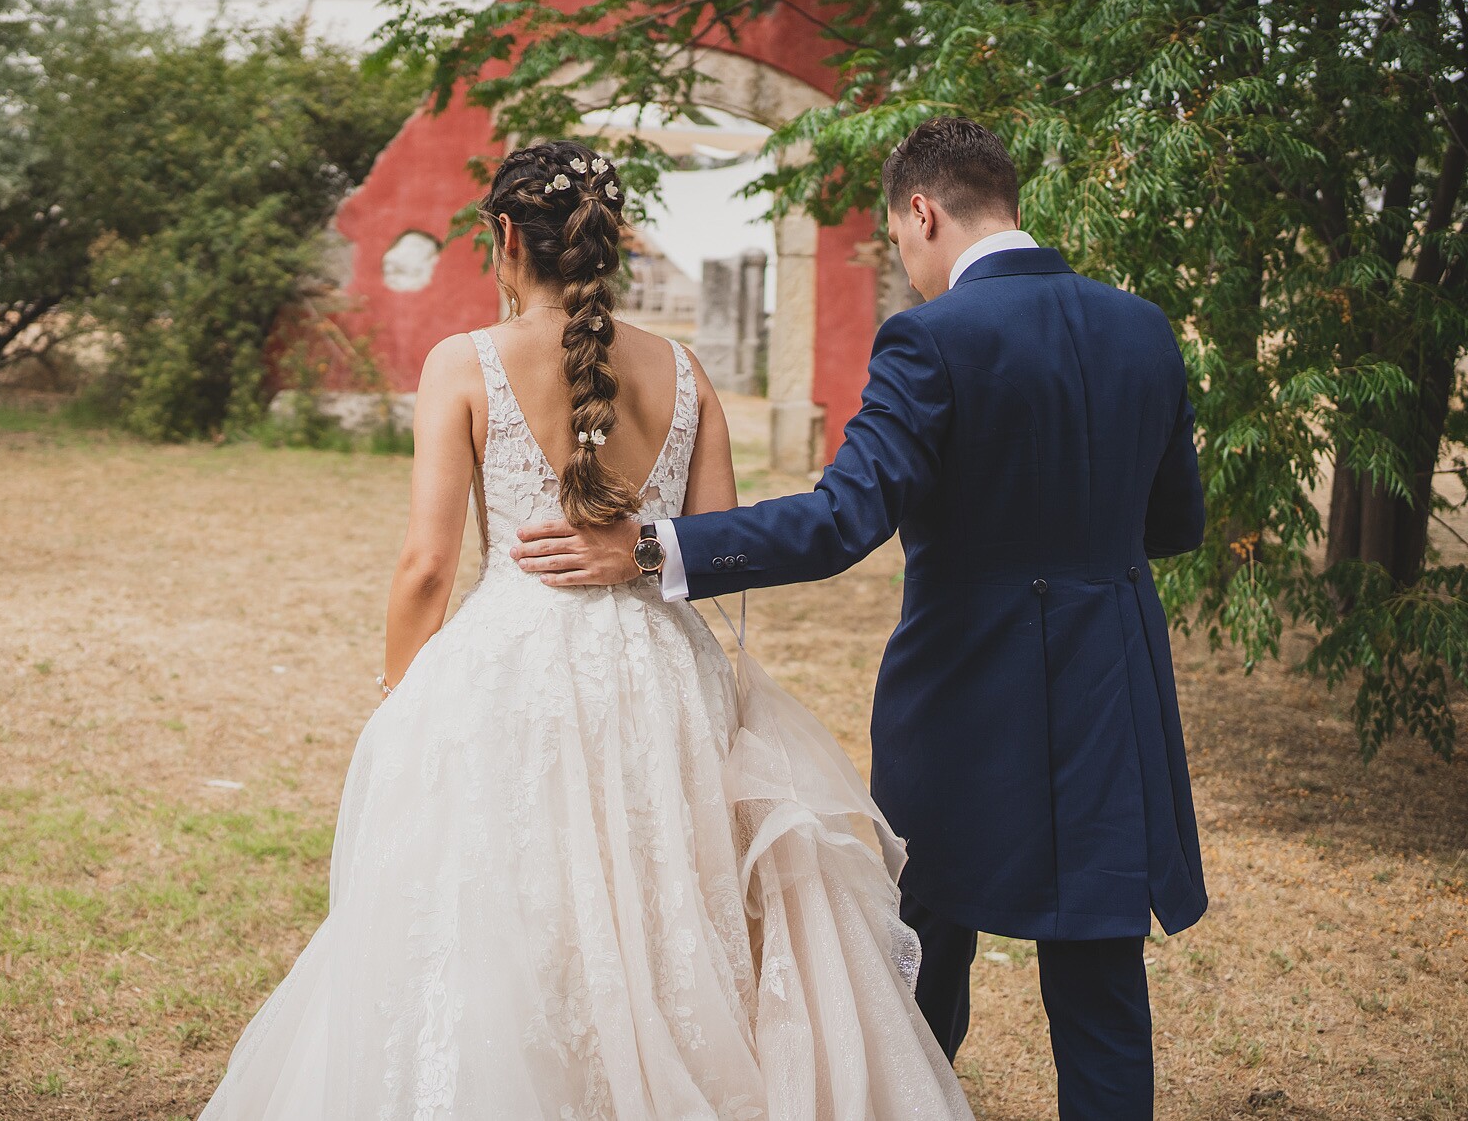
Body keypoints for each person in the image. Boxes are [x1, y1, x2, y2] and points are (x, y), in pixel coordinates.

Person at [198, 139, 974, 1120]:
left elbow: (427, 565)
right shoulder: (684, 372)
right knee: (662, 910)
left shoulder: (462, 363)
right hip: (662, 673)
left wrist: (403, 698)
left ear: (505, 239)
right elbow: (714, 548)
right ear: (608, 245)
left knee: (508, 909)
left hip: (508, 665)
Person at [516, 118, 1208, 1121]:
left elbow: (843, 519)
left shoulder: (931, 337)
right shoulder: (1141, 326)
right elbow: (1173, 522)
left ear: (920, 212)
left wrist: (652, 544)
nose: (908, 270)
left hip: (968, 691)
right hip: (1113, 681)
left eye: (898, 244)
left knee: (923, 954)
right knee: (1100, 981)